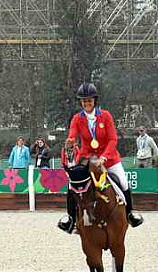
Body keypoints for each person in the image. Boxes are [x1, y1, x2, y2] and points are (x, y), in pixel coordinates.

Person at [57, 83, 144, 234]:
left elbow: (113, 139)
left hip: (108, 158)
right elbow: (72, 133)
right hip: (86, 159)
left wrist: (104, 158)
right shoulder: (77, 119)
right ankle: (70, 218)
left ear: (94, 101)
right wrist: (70, 140)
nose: (87, 104)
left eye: (89, 100)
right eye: (84, 101)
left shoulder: (105, 116)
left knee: (123, 182)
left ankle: (130, 214)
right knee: (73, 184)